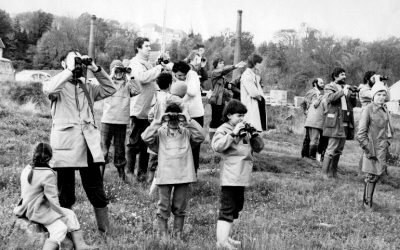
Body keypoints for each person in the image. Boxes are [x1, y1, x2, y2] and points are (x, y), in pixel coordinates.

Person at [42, 50, 116, 233]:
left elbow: (110, 89)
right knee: (65, 194)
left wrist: (95, 68)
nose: (78, 64)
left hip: (88, 144)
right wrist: (69, 70)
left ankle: (104, 231)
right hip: (65, 145)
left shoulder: (87, 86)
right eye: (73, 59)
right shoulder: (57, 85)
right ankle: (64, 231)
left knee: (96, 190)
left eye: (79, 60)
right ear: (63, 64)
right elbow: (49, 89)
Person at [14, 143, 97, 250]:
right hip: (37, 210)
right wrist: (61, 214)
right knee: (60, 228)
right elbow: (53, 200)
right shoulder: (48, 173)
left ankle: (81, 245)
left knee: (70, 213)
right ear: (50, 157)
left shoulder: (27, 169)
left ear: (33, 154)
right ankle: (75, 246)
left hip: (25, 208)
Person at [141, 103, 205, 239]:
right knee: (163, 205)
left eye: (177, 118)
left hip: (184, 174)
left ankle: (178, 234)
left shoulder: (186, 132)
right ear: (166, 118)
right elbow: (146, 138)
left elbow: (200, 136)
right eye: (170, 118)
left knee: (180, 206)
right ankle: (163, 234)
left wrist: (188, 119)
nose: (174, 120)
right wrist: (158, 121)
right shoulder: (160, 133)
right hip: (165, 175)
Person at [211, 99, 264, 249]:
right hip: (230, 176)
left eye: (243, 115)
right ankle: (221, 242)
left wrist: (254, 135)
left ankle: (226, 237)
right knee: (227, 209)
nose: (242, 119)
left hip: (242, 176)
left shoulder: (243, 129)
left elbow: (259, 148)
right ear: (229, 115)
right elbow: (217, 146)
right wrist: (233, 134)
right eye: (239, 115)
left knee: (236, 208)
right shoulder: (224, 129)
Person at [127, 37, 166, 182]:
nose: (149, 48)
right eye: (147, 46)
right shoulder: (135, 63)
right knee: (133, 142)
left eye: (150, 46)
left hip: (148, 110)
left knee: (146, 143)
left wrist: (158, 65)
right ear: (138, 48)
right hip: (137, 109)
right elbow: (141, 78)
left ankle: (141, 174)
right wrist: (158, 68)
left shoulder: (147, 63)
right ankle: (129, 172)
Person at [101, 60, 140, 182]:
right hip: (107, 120)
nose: (118, 73)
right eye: (116, 70)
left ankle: (122, 176)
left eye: (120, 70)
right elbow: (102, 81)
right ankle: (98, 178)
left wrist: (130, 75)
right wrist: (111, 74)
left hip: (121, 122)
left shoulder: (127, 84)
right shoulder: (108, 83)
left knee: (120, 150)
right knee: (103, 149)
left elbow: (137, 90)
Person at [357, 81, 392, 209]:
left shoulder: (384, 110)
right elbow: (361, 133)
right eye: (378, 94)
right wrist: (369, 150)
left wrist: (387, 143)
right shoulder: (368, 109)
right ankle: (367, 205)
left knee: (376, 175)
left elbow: (386, 129)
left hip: (382, 148)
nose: (381, 97)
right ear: (373, 95)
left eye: (384, 95)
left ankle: (367, 201)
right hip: (372, 148)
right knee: (371, 176)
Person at [147, 72, 186, 183]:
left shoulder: (157, 96)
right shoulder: (172, 98)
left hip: (155, 130)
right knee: (165, 158)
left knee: (153, 158)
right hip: (167, 131)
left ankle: (149, 182)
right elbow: (183, 105)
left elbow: (150, 115)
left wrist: (153, 120)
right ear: (170, 84)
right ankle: (166, 180)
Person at [321, 67, 357, 179]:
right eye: (342, 74)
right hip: (335, 121)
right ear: (335, 76)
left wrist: (353, 95)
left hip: (346, 121)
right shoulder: (329, 87)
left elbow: (353, 105)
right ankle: (324, 174)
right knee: (331, 148)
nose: (344, 76)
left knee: (339, 149)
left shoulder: (345, 88)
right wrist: (343, 91)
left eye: (345, 74)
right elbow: (330, 99)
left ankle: (333, 173)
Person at [172, 61, 205, 174]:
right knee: (181, 144)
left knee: (195, 145)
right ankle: (182, 172)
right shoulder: (174, 76)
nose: (182, 77)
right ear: (174, 73)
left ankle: (193, 172)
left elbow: (192, 91)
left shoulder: (193, 75)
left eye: (183, 75)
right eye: (179, 75)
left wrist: (179, 102)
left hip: (195, 115)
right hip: (182, 116)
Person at [209, 58, 246, 140]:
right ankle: (212, 138)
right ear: (215, 65)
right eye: (220, 63)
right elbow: (224, 71)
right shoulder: (215, 73)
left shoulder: (222, 77)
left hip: (221, 101)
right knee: (215, 120)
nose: (222, 64)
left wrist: (239, 92)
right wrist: (235, 66)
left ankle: (219, 136)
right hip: (216, 100)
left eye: (223, 63)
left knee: (221, 119)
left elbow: (228, 86)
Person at [302, 78, 328, 161]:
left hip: (315, 118)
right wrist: (306, 111)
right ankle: (308, 156)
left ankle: (308, 156)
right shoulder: (312, 92)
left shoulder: (320, 93)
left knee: (311, 139)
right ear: (315, 84)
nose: (323, 84)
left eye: (323, 83)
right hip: (313, 118)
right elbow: (305, 103)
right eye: (321, 83)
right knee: (311, 139)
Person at [240, 54, 267, 132]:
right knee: (252, 129)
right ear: (255, 63)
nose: (261, 65)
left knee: (257, 130)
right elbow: (253, 93)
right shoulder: (246, 75)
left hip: (257, 104)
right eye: (260, 63)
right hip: (251, 105)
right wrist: (260, 97)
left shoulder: (254, 75)